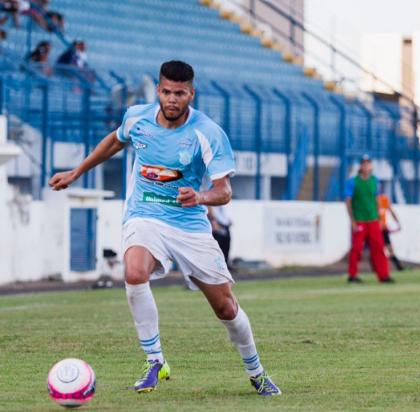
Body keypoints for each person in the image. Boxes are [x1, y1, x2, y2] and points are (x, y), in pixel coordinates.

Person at [48, 60, 280, 396]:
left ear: (191, 94)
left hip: (189, 225)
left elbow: (224, 191)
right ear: (158, 90)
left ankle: (256, 372)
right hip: (145, 214)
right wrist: (75, 172)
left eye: (180, 93)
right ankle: (154, 360)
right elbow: (114, 141)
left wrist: (199, 196)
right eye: (167, 92)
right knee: (134, 271)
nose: (172, 99)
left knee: (226, 308)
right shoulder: (137, 117)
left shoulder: (208, 133)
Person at [345, 154, 393, 283]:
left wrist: (380, 219)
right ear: (360, 166)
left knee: (379, 247)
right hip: (360, 220)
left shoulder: (375, 181)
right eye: (363, 163)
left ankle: (383, 275)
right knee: (356, 249)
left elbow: (376, 200)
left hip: (373, 220)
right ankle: (352, 275)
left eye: (368, 163)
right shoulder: (353, 182)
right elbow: (348, 202)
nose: (366, 166)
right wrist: (353, 221)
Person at [377, 183, 404, 271]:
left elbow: (391, 211)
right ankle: (378, 267)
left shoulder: (384, 199)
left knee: (389, 247)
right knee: (378, 249)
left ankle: (398, 266)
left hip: (383, 228)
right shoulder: (371, 200)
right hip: (375, 228)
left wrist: (397, 222)